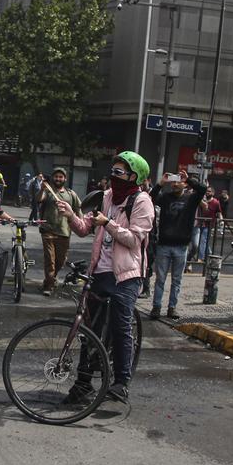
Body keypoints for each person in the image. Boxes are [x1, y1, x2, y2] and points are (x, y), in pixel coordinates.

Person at [56, 152, 153, 403]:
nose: (113, 176)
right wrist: (70, 215)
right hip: (99, 271)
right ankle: (83, 383)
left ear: (134, 176)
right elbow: (84, 228)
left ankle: (121, 382)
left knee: (121, 324)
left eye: (119, 172)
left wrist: (108, 222)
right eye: (113, 171)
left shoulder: (142, 201)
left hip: (126, 275)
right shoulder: (107, 196)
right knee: (88, 329)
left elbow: (133, 240)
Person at [149, 170, 205, 319]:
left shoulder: (191, 198)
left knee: (177, 280)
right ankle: (156, 307)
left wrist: (190, 179)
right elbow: (150, 198)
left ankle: (172, 308)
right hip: (164, 245)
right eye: (173, 181)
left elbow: (202, 189)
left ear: (184, 184)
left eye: (178, 181)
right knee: (160, 279)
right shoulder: (165, 197)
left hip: (181, 246)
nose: (174, 184)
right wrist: (161, 183)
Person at [37, 168, 81, 295]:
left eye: (60, 177)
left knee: (60, 261)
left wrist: (82, 224)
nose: (58, 179)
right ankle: (49, 287)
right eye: (56, 176)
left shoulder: (71, 194)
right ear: (52, 178)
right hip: (48, 231)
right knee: (50, 260)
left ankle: (49, 280)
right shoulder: (48, 191)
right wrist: (42, 189)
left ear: (65, 179)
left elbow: (78, 209)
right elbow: (39, 199)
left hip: (64, 232)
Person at [191, 185, 222, 267]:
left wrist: (221, 221)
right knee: (204, 241)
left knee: (203, 240)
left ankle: (201, 258)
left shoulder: (216, 202)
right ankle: (210, 255)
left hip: (209, 224)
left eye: (209, 191)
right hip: (199, 223)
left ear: (213, 193)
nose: (208, 193)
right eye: (207, 191)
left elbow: (219, 212)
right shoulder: (203, 201)